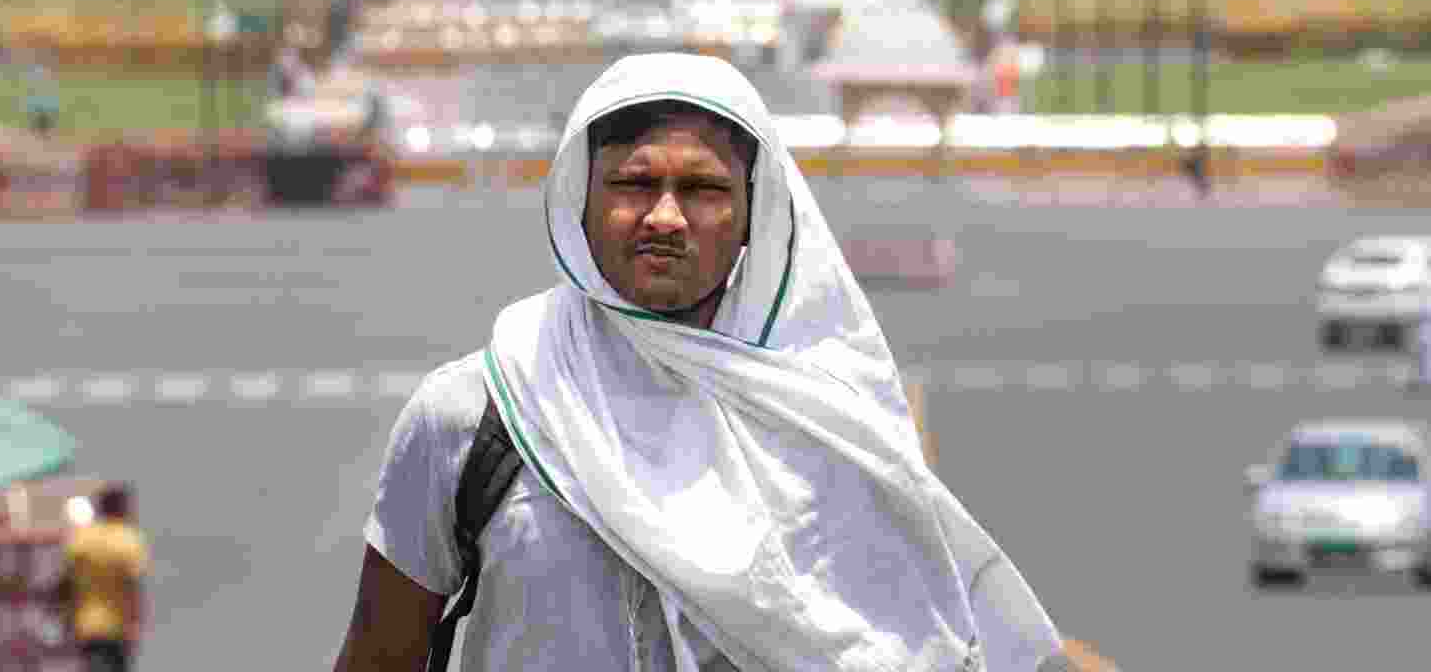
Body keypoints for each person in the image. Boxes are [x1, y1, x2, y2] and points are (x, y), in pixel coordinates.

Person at [334, 53, 1067, 672]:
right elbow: (379, 654)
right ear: (578, 199)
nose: (664, 217)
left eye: (705, 189)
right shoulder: (475, 416)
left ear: (757, 213)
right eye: (633, 183)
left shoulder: (829, 424)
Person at [58, 484, 150, 672]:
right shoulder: (128, 540)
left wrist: (64, 617)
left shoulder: (80, 539)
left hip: (85, 625)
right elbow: (132, 585)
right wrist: (136, 622)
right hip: (118, 626)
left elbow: (66, 583)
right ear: (123, 507)